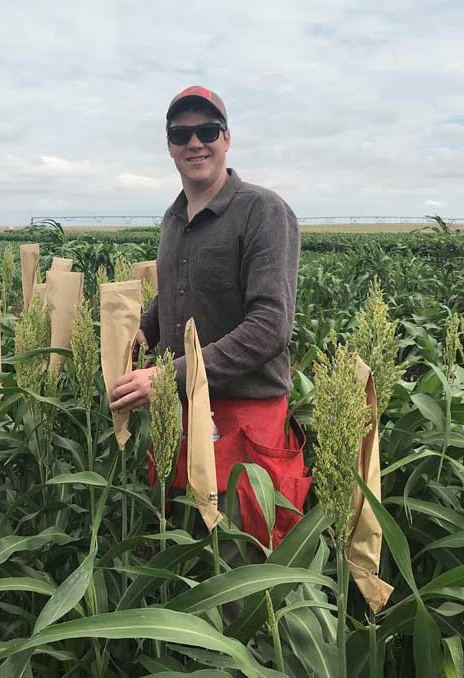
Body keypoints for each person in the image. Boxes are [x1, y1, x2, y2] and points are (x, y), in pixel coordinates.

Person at [109, 85, 308, 549]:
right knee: (182, 550)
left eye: (207, 131)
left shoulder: (263, 211)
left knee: (241, 564)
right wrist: (146, 327)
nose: (194, 143)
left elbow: (269, 327)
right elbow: (176, 292)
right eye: (182, 134)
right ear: (169, 146)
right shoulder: (173, 218)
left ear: (227, 138)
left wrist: (166, 378)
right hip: (181, 410)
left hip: (243, 421)